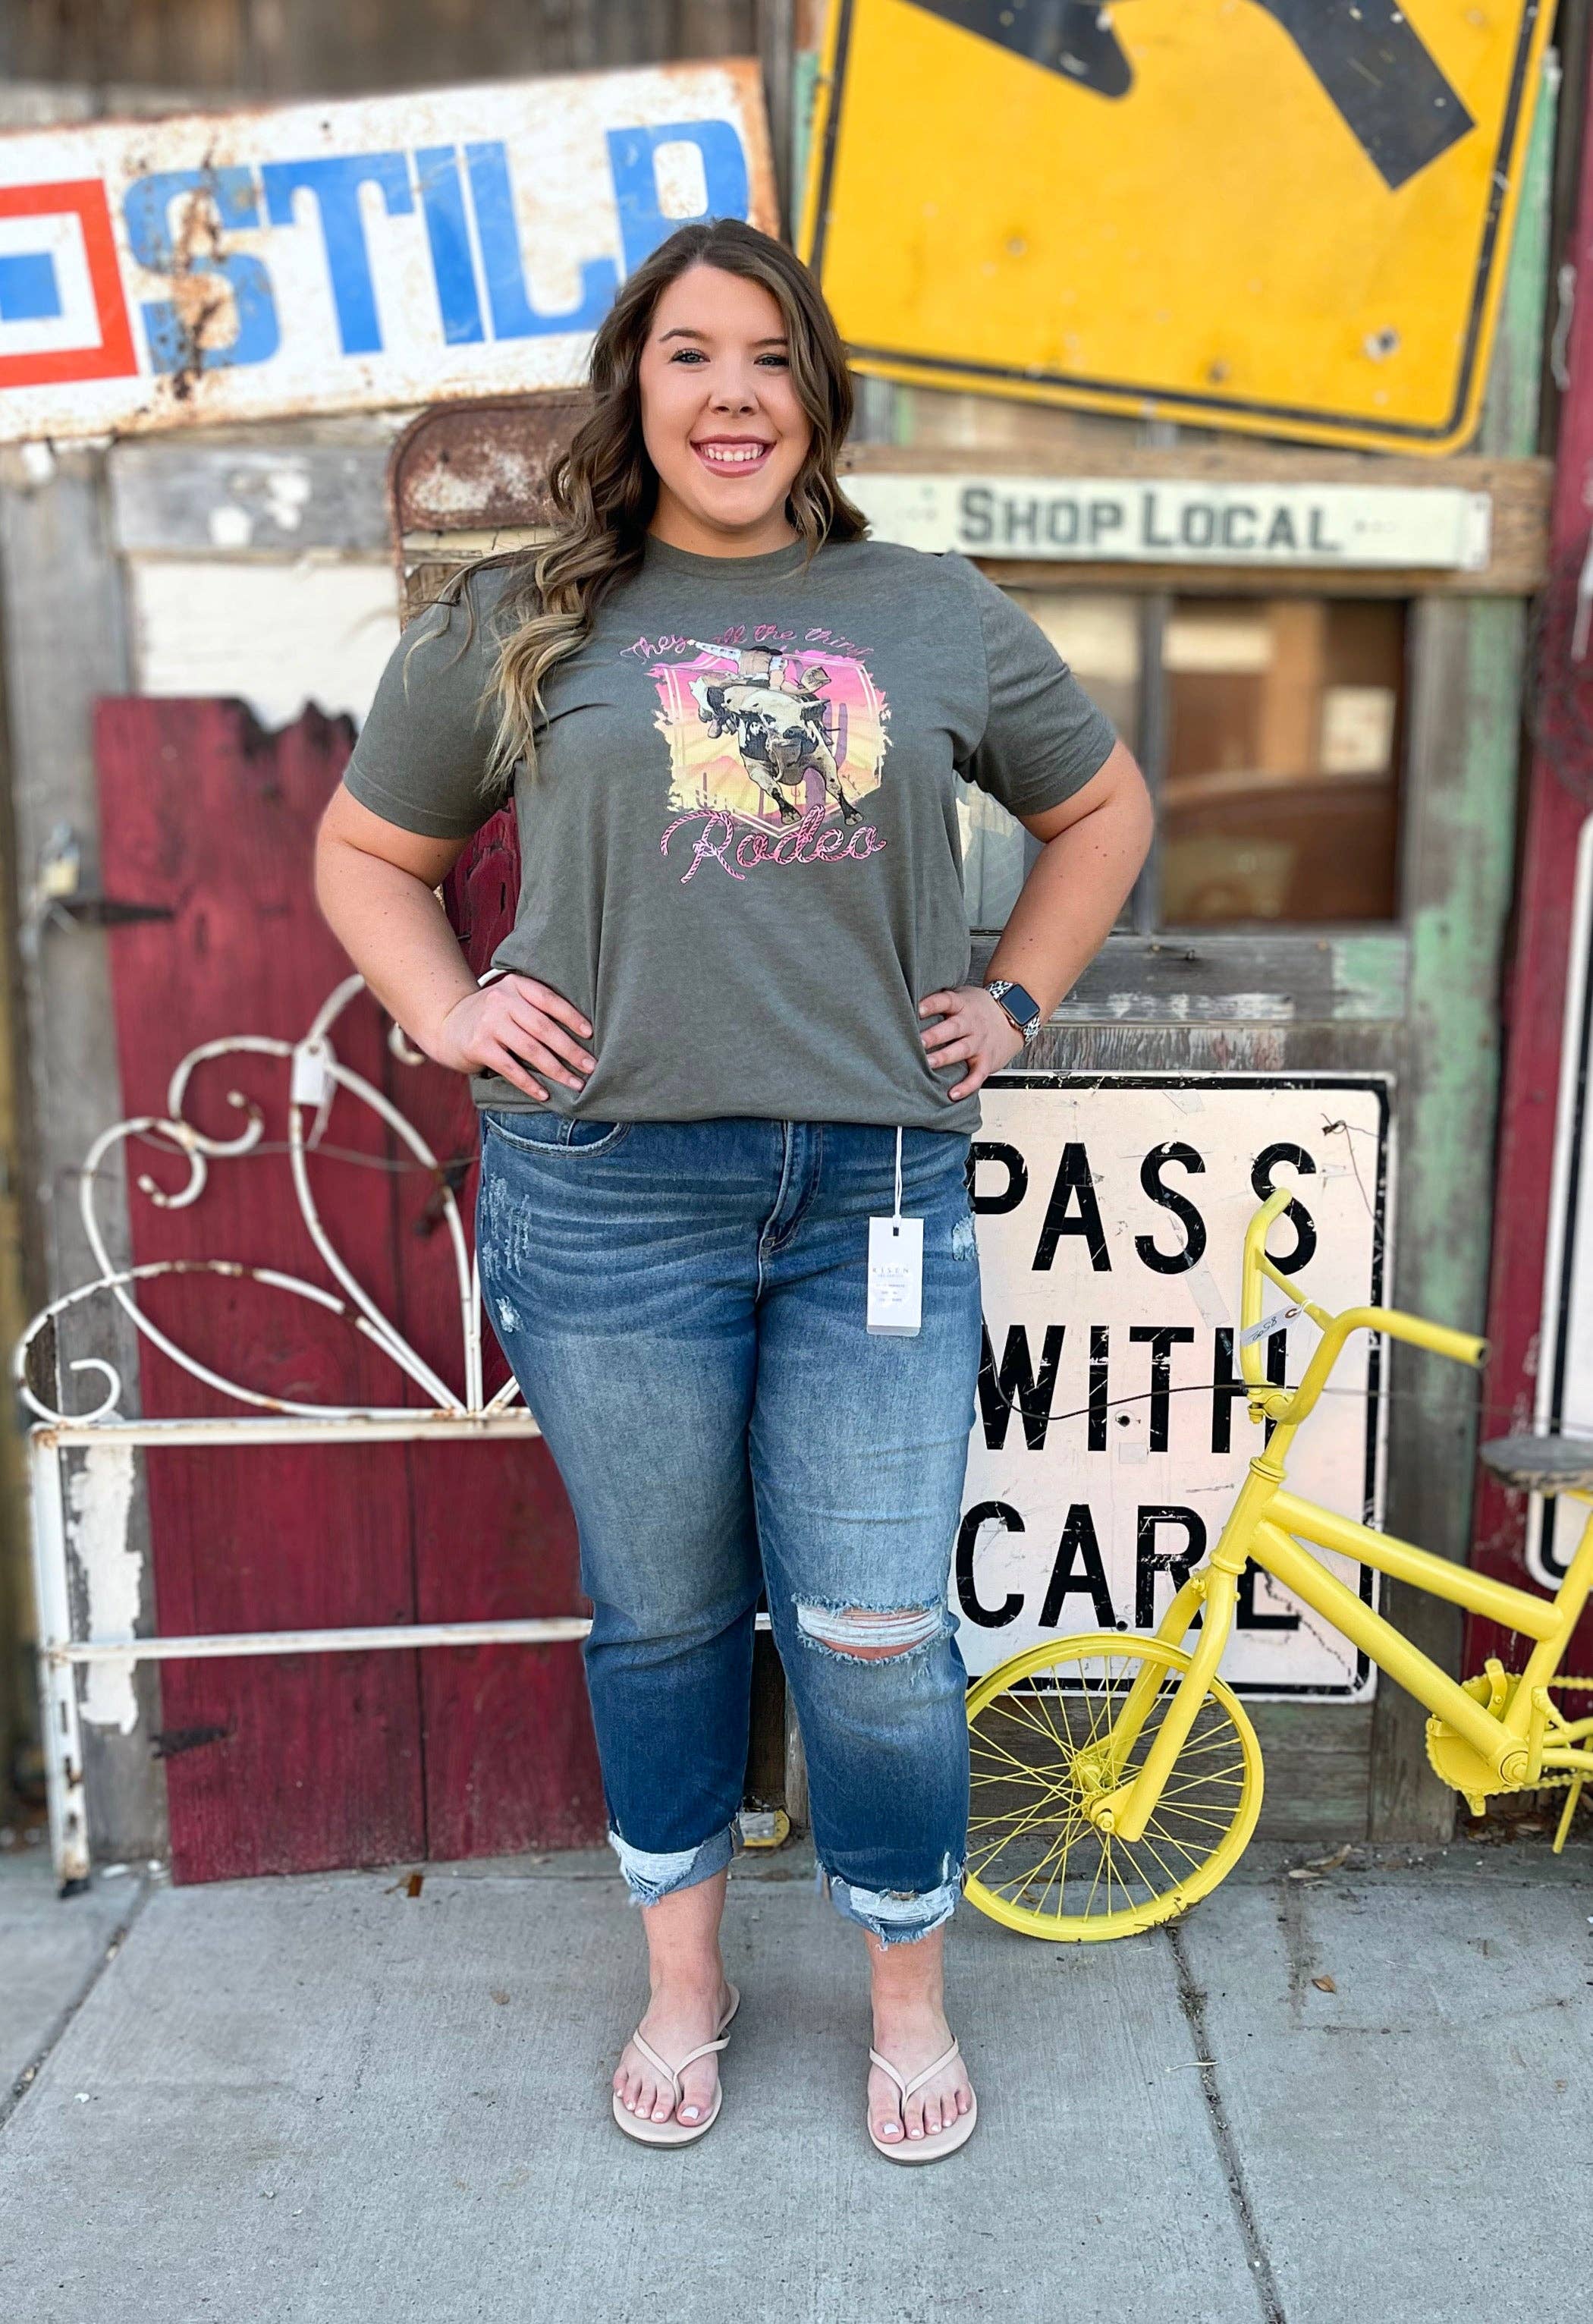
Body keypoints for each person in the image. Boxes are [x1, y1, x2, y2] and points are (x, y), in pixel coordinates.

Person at [314, 215, 1152, 2162]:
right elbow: (369, 852)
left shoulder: (928, 607)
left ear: (817, 396)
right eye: (692, 354)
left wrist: (1016, 998)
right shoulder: (523, 613)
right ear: (638, 389)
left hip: (875, 1191)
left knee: (873, 1624)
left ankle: (906, 1994)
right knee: (669, 1613)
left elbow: (1101, 806)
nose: (733, 395)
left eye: (772, 357)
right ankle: (685, 1982)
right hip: (608, 1194)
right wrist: (447, 1008)